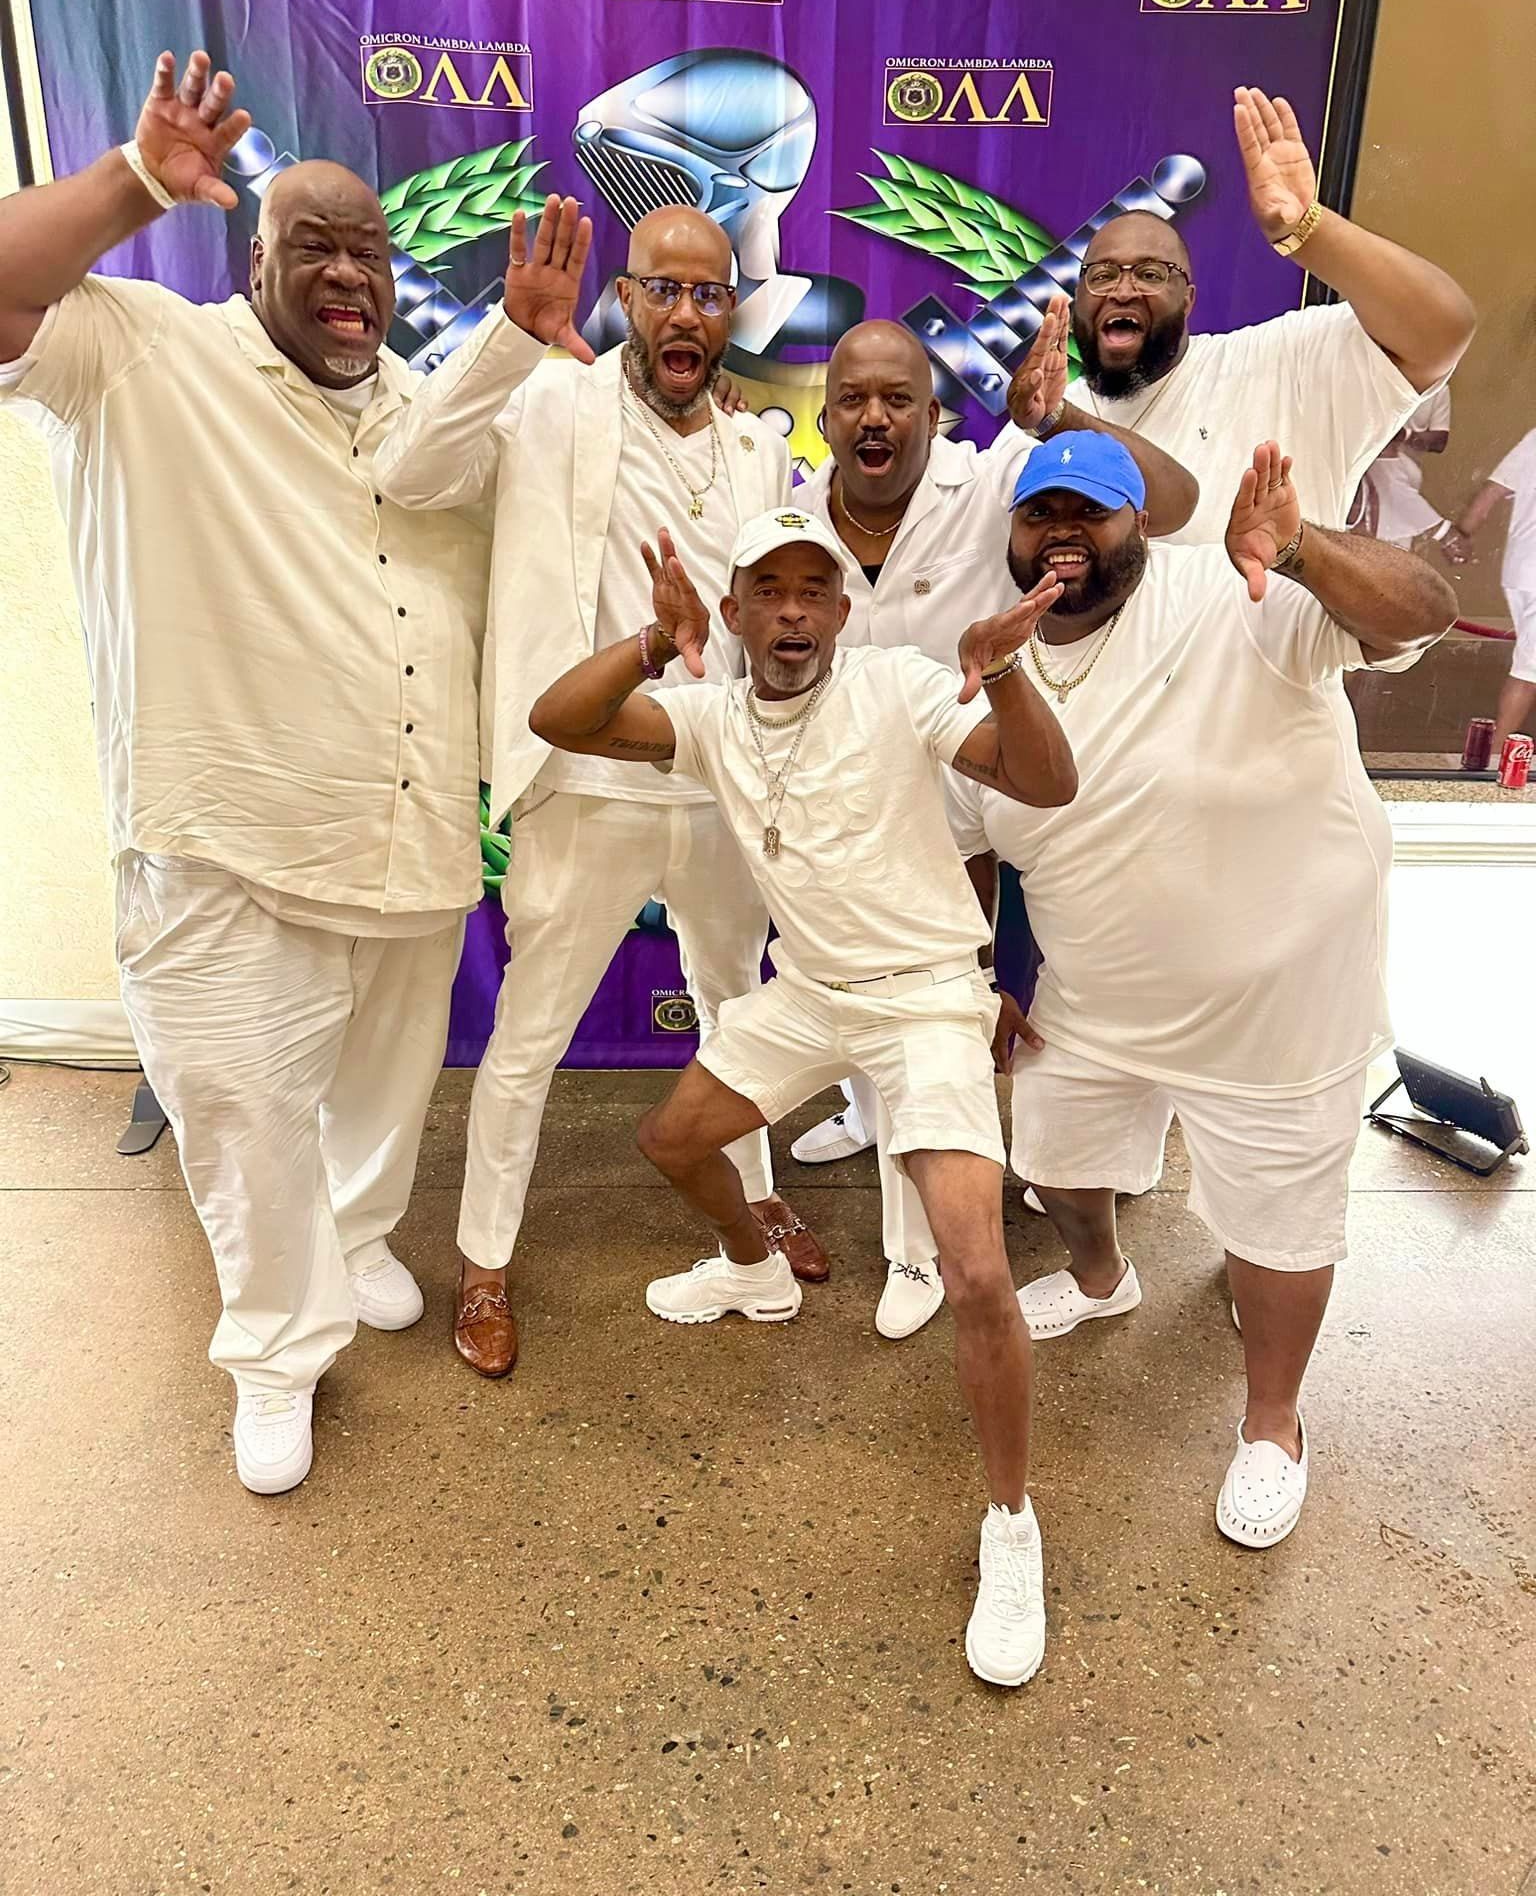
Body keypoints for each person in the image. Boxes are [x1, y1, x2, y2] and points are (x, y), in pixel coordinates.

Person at [0, 51, 542, 1494]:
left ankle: (357, 1247)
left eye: (370, 249)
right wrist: (127, 181)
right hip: (224, 845)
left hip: (409, 844)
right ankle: (276, 1354)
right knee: (240, 1116)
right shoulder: (139, 352)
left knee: (380, 1097)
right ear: (253, 257)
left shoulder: (435, 402)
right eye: (315, 244)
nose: (350, 272)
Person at [527, 502, 1077, 1687]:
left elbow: (1048, 779)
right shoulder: (710, 714)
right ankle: (754, 1265)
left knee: (977, 1267)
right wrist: (641, 644)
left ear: (840, 609)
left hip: (929, 991)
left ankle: (1011, 1523)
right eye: (765, 590)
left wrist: (1005, 675)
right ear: (730, 613)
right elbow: (553, 721)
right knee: (672, 1139)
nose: (790, 611)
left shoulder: (897, 684)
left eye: (811, 590)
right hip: (813, 992)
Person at [947, 432, 1456, 1548]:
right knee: (1055, 1162)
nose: (1065, 532)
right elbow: (965, 840)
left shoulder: (1245, 593)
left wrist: (1308, 547)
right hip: (1097, 994)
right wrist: (987, 966)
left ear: (1141, 524)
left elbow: (1420, 609)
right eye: (1043, 514)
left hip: (1278, 997)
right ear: (1013, 531)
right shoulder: (990, 659)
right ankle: (1099, 1276)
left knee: (1278, 1228)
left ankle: (1273, 1424)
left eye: (1096, 512)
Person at [374, 200, 817, 1379]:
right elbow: (413, 473)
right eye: (662, 289)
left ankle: (756, 1207)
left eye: (708, 293)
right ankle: (483, 1263)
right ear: (624, 296)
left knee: (739, 1011)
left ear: (731, 310)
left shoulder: (755, 447)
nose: (684, 312)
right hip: (581, 776)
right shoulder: (546, 402)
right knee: (529, 1035)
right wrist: (516, 335)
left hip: (714, 783)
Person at [787, 303, 1200, 1339]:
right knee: (847, 993)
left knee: (951, 1019)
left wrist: (1043, 410)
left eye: (896, 398)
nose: (874, 417)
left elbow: (1135, 501)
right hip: (836, 806)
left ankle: (919, 1248)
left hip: (961, 806)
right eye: (851, 399)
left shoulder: (993, 489)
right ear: (824, 416)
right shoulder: (793, 513)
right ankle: (863, 1111)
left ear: (934, 412)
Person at [1065, 86, 1475, 545]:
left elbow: (1441, 328)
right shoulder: (1048, 420)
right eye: (1100, 275)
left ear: (1189, 299)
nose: (1122, 290)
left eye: (1150, 274)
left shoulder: (1278, 363)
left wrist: (1307, 231)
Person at [1449, 428, 1536, 744]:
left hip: (1521, 569)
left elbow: (1491, 491)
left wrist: (1462, 534)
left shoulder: (1534, 438)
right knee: (1529, 670)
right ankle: (1496, 755)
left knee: (1530, 663)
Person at [1351, 386, 1453, 550]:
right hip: (1371, 468)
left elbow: (1439, 441)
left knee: (1396, 553)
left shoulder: (1439, 386)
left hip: (1406, 473)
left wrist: (1405, 435)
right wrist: (1443, 533)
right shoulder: (1378, 373)